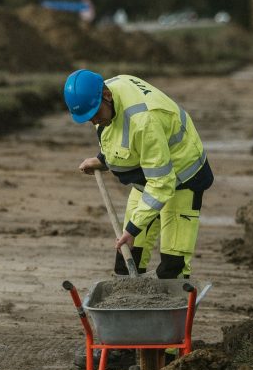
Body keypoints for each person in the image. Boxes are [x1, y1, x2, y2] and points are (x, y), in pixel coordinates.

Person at [65, 69, 213, 278]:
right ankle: (131, 309)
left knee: (173, 267)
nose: (94, 121)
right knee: (127, 260)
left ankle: (169, 309)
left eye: (95, 114)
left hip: (182, 176)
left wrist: (133, 229)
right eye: (88, 118)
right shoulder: (100, 93)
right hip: (149, 175)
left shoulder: (144, 120)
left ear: (107, 96)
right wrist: (103, 160)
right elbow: (119, 134)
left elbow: (161, 183)